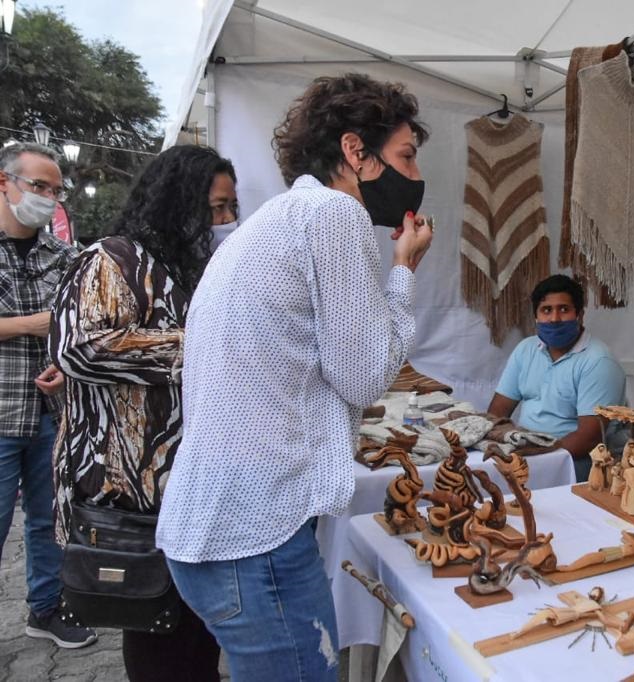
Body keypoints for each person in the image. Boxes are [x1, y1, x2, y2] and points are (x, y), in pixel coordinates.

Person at [156, 73, 433, 681]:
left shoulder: (276, 219)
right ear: (355, 152)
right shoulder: (333, 214)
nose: (414, 177)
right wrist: (404, 272)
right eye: (406, 156)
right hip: (254, 537)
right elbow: (363, 377)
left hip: (222, 525)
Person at [50, 145, 236, 680]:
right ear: (177, 203)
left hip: (186, 476)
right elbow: (82, 347)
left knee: (190, 616)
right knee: (152, 612)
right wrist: (201, 344)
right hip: (129, 478)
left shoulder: (189, 265)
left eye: (230, 208)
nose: (224, 220)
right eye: (214, 209)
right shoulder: (110, 258)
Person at [0, 142, 96, 649]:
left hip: (49, 412)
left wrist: (62, 362)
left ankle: (46, 608)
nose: (48, 198)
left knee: (48, 519)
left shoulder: (64, 257)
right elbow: (47, 323)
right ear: (4, 183)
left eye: (56, 190)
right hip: (1, 413)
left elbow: (77, 328)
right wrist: (30, 325)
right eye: (39, 186)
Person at [488, 274, 626, 482]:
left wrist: (540, 455)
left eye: (564, 309)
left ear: (580, 315)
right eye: (546, 310)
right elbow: (497, 410)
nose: (554, 319)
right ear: (536, 317)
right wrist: (500, 442)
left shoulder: (598, 361)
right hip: (527, 449)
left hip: (578, 460)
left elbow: (589, 438)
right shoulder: (526, 349)